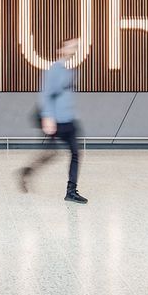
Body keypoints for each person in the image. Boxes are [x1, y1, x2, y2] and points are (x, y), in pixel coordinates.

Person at [18, 38, 87, 204]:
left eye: (75, 46)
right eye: (70, 45)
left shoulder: (69, 71)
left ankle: (71, 191)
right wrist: (48, 117)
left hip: (68, 120)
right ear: (60, 49)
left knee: (75, 153)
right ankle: (26, 172)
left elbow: (65, 96)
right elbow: (45, 94)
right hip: (57, 121)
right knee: (52, 153)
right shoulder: (54, 70)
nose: (74, 48)